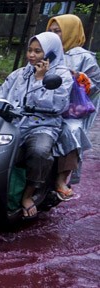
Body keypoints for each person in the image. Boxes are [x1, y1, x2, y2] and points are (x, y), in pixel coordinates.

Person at [0, 32, 72, 219]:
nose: (31, 55)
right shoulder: (20, 73)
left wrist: (40, 79)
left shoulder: (62, 76)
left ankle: (29, 194)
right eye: (30, 50)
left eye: (38, 51)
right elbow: (0, 94)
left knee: (39, 151)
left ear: (51, 53)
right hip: (15, 123)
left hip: (43, 126)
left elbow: (57, 106)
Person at [46, 14, 100, 200]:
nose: (53, 35)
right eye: (50, 31)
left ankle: (61, 179)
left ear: (70, 32)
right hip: (44, 103)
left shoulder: (84, 57)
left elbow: (95, 86)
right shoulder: (46, 51)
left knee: (72, 131)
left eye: (58, 31)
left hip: (70, 110)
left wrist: (79, 77)